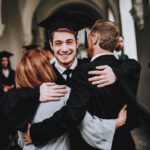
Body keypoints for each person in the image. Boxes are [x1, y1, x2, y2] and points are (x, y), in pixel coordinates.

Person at [22, 14, 140, 150]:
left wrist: (117, 73)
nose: (65, 49)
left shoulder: (92, 69)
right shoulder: (41, 75)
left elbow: (132, 65)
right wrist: (36, 93)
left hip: (91, 144)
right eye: (58, 43)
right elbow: (12, 99)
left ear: (77, 43)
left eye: (69, 42)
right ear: (51, 45)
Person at [16, 49, 127, 150]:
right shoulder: (63, 93)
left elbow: (21, 141)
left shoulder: (20, 102)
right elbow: (91, 130)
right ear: (46, 67)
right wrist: (117, 122)